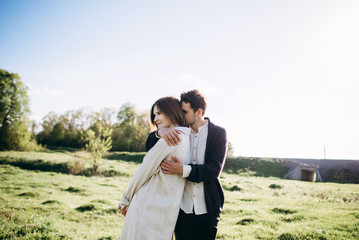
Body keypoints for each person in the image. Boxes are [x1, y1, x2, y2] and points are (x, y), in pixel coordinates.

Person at [146, 89, 228, 240]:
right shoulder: (178, 132)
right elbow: (150, 149)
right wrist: (159, 133)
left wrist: (182, 170)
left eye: (184, 112)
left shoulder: (218, 133)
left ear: (199, 112)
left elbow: (214, 169)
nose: (180, 115)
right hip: (181, 208)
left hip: (209, 208)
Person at [118, 96, 191, 240]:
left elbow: (143, 171)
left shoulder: (170, 139)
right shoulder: (188, 137)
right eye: (154, 115)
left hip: (147, 207)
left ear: (171, 112)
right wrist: (158, 133)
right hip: (166, 211)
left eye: (159, 113)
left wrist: (125, 200)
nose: (155, 119)